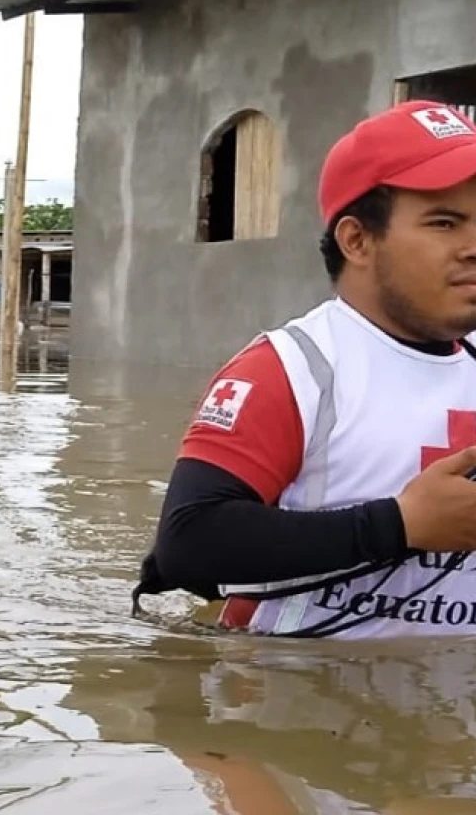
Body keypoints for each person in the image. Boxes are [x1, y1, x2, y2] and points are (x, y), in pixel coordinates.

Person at [136, 100, 476, 639]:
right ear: (357, 240)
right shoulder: (290, 370)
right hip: (295, 679)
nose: (473, 247)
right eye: (445, 223)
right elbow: (189, 543)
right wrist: (401, 525)